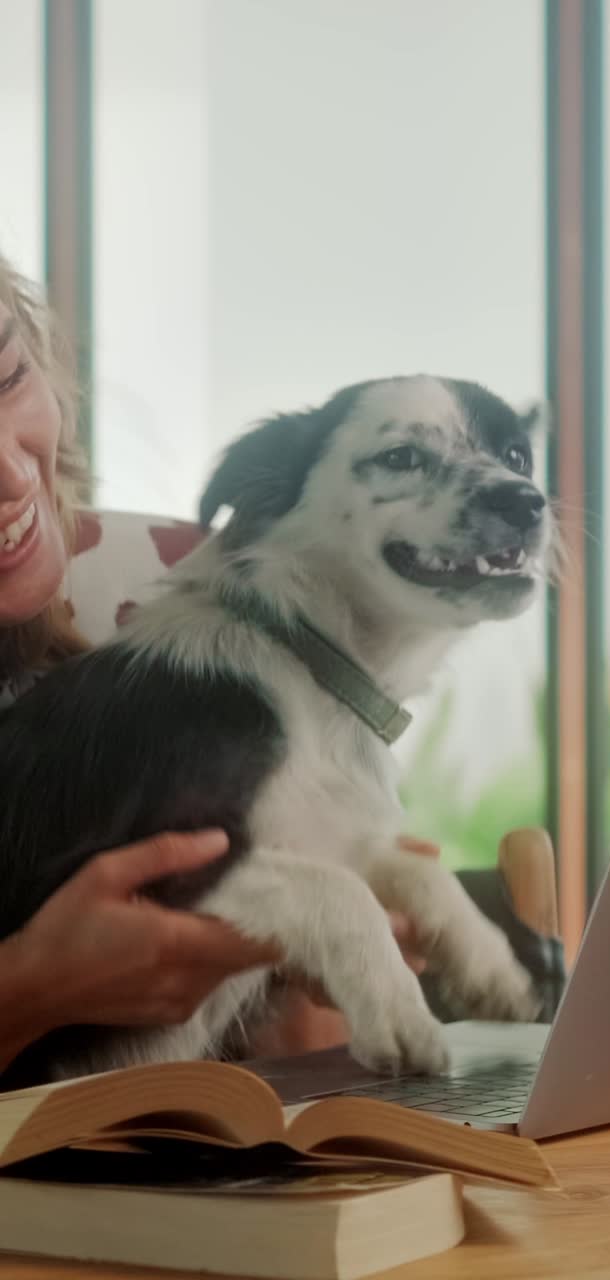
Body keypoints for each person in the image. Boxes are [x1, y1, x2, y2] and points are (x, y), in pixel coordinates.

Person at [0, 252, 435, 1079]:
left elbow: (305, 1067)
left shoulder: (168, 592)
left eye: (7, 376)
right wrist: (28, 991)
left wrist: (326, 952)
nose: (14, 475)